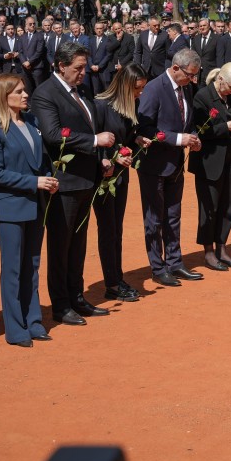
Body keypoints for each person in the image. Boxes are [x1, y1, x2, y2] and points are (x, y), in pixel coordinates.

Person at [31, 41, 116, 326]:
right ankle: (61, 304)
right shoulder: (45, 94)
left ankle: (77, 296)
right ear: (61, 65)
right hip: (63, 183)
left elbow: (90, 127)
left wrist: (101, 158)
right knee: (61, 245)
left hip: (86, 179)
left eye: (84, 67)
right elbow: (54, 135)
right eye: (78, 68)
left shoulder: (81, 90)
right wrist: (95, 142)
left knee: (78, 244)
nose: (83, 73)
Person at [0, 74, 57, 347]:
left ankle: (34, 321)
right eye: (19, 92)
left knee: (32, 266)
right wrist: (35, 182)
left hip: (36, 204)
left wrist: (49, 177)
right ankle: (14, 328)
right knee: (13, 269)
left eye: (25, 91)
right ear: (4, 96)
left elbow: (42, 160)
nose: (26, 95)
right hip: (10, 208)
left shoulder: (32, 122)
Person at [135, 49, 204, 286]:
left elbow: (189, 121)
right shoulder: (154, 88)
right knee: (154, 218)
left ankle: (175, 262)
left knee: (173, 215)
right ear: (176, 68)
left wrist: (193, 137)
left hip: (175, 164)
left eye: (195, 75)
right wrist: (178, 139)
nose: (193, 80)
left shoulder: (186, 87)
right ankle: (157, 266)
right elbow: (145, 128)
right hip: (154, 165)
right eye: (190, 75)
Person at [93, 64, 148, 301]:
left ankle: (116, 278)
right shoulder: (101, 105)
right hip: (104, 177)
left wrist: (136, 139)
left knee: (117, 229)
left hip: (121, 175)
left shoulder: (131, 105)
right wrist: (112, 156)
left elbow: (126, 137)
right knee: (108, 230)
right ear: (125, 86)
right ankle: (112, 284)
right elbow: (94, 143)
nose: (140, 93)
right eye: (137, 89)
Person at [190, 62, 231, 271]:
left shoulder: (230, 96)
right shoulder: (202, 97)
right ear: (220, 79)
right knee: (209, 208)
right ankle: (208, 251)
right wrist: (225, 127)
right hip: (209, 162)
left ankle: (222, 247)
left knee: (228, 205)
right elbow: (201, 131)